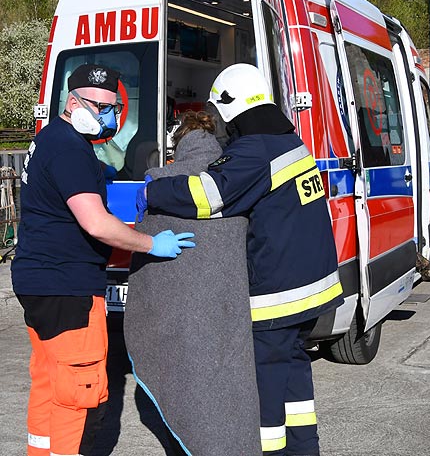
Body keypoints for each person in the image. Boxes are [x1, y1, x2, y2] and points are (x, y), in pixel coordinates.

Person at [136, 63, 344, 456]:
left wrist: (155, 192)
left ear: (230, 107)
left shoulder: (255, 150)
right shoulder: (290, 142)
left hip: (279, 299)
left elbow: (208, 195)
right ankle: (305, 449)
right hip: (315, 292)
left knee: (264, 396)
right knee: (294, 379)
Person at [10, 63, 195, 456]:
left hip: (38, 283)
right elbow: (96, 223)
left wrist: (97, 171)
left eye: (113, 107)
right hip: (68, 290)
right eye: (101, 107)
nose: (109, 116)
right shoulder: (69, 149)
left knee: (49, 383)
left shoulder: (50, 139)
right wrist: (148, 243)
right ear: (74, 102)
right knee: (78, 393)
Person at [124, 109, 262, 456]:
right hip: (226, 309)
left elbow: (143, 248)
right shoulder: (236, 182)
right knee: (228, 386)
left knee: (181, 381)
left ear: (179, 144)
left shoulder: (158, 182)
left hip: (177, 316)